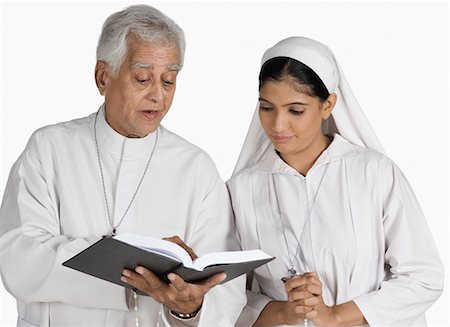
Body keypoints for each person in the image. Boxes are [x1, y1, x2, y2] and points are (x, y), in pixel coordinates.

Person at [0, 4, 245, 326]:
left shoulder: (196, 167)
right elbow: (20, 260)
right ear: (103, 77)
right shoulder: (50, 148)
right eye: (142, 78)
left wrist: (188, 307)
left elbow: (225, 293)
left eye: (169, 80)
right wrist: (135, 267)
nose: (158, 95)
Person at [227, 36, 444, 326]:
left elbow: (424, 277)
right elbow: (224, 294)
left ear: (328, 105)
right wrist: (286, 311)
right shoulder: (241, 188)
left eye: (295, 110)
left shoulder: (373, 173)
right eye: (267, 108)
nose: (278, 125)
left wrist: (335, 316)